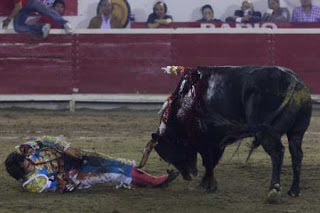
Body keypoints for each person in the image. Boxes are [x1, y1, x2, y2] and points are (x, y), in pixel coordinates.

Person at [5, 136, 179, 193]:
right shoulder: (34, 182)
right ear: (23, 172)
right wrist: (64, 183)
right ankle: (155, 182)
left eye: (27, 159)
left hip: (71, 158)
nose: (30, 161)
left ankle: (144, 179)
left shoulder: (25, 150)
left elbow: (45, 139)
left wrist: (66, 148)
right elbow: (62, 187)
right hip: (73, 174)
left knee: (114, 162)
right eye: (27, 164)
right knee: (114, 173)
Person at [2, 0, 73, 38]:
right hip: (23, 9)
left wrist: (8, 19)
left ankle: (65, 23)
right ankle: (42, 27)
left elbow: (18, 6)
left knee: (46, 11)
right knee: (18, 27)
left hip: (30, 2)